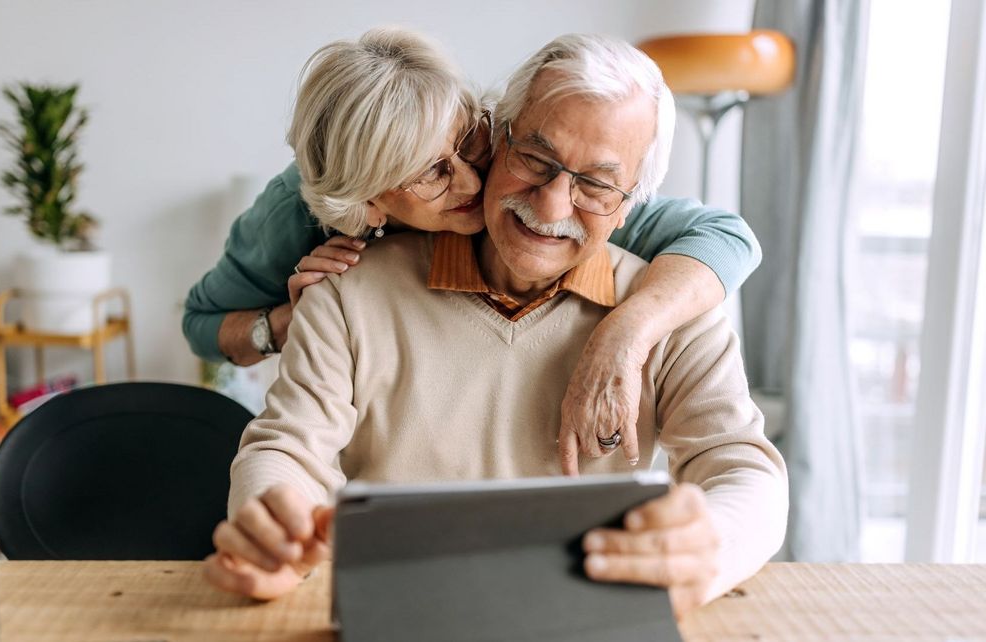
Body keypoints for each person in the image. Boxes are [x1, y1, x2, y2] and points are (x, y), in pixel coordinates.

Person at [205, 33, 788, 618]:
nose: (554, 206)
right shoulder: (340, 290)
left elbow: (742, 468)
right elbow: (286, 447)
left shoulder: (673, 304)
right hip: (399, 610)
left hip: (583, 617)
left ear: (633, 199)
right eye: (536, 159)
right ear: (499, 139)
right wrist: (276, 520)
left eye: (597, 183)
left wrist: (711, 546)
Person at [182, 27, 762, 468]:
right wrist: (291, 322)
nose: (471, 181)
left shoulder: (539, 183)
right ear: (369, 205)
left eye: (470, 138)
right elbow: (203, 326)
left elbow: (729, 238)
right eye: (430, 173)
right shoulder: (294, 217)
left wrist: (624, 336)